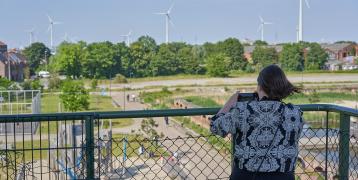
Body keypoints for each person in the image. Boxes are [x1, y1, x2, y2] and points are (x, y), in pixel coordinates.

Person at [210, 64, 303, 180]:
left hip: (247, 175)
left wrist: (230, 103)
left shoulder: (243, 111)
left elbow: (215, 127)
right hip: (283, 176)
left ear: (259, 86)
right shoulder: (295, 113)